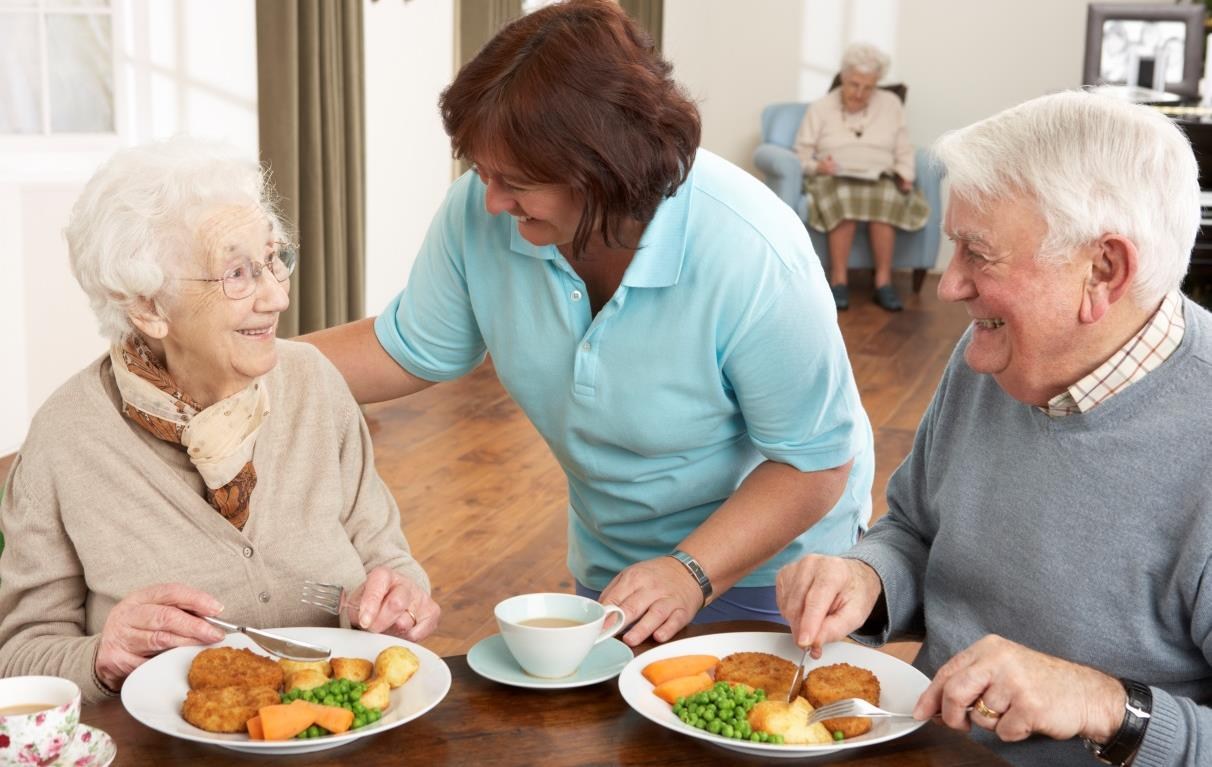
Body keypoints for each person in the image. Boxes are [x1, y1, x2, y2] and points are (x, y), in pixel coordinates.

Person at [306, 0, 874, 647]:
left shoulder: (752, 250)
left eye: (514, 181)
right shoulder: (484, 212)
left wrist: (691, 570)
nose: (491, 200)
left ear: (604, 170)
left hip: (774, 567)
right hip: (617, 562)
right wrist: (236, 365)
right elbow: (405, 348)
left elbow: (815, 463)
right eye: (482, 173)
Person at [776, 90, 1212, 766]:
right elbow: (916, 527)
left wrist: (1103, 703)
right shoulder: (994, 353)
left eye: (977, 254)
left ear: (1103, 270)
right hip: (924, 745)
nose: (949, 286)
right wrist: (868, 576)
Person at [0, 137, 439, 703]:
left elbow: (388, 558)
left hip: (336, 732)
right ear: (147, 307)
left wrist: (400, 599)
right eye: (237, 273)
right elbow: (17, 656)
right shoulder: (65, 437)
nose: (276, 297)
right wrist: (101, 657)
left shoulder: (314, 384)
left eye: (274, 259)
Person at [794, 42, 930, 312]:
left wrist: (905, 175)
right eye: (854, 84)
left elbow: (904, 146)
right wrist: (819, 167)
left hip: (879, 176)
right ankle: (839, 281)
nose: (859, 93)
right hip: (833, 177)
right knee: (844, 198)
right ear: (843, 78)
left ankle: (883, 283)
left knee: (887, 198)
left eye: (868, 87)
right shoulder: (821, 108)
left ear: (876, 84)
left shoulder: (890, 104)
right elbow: (801, 154)